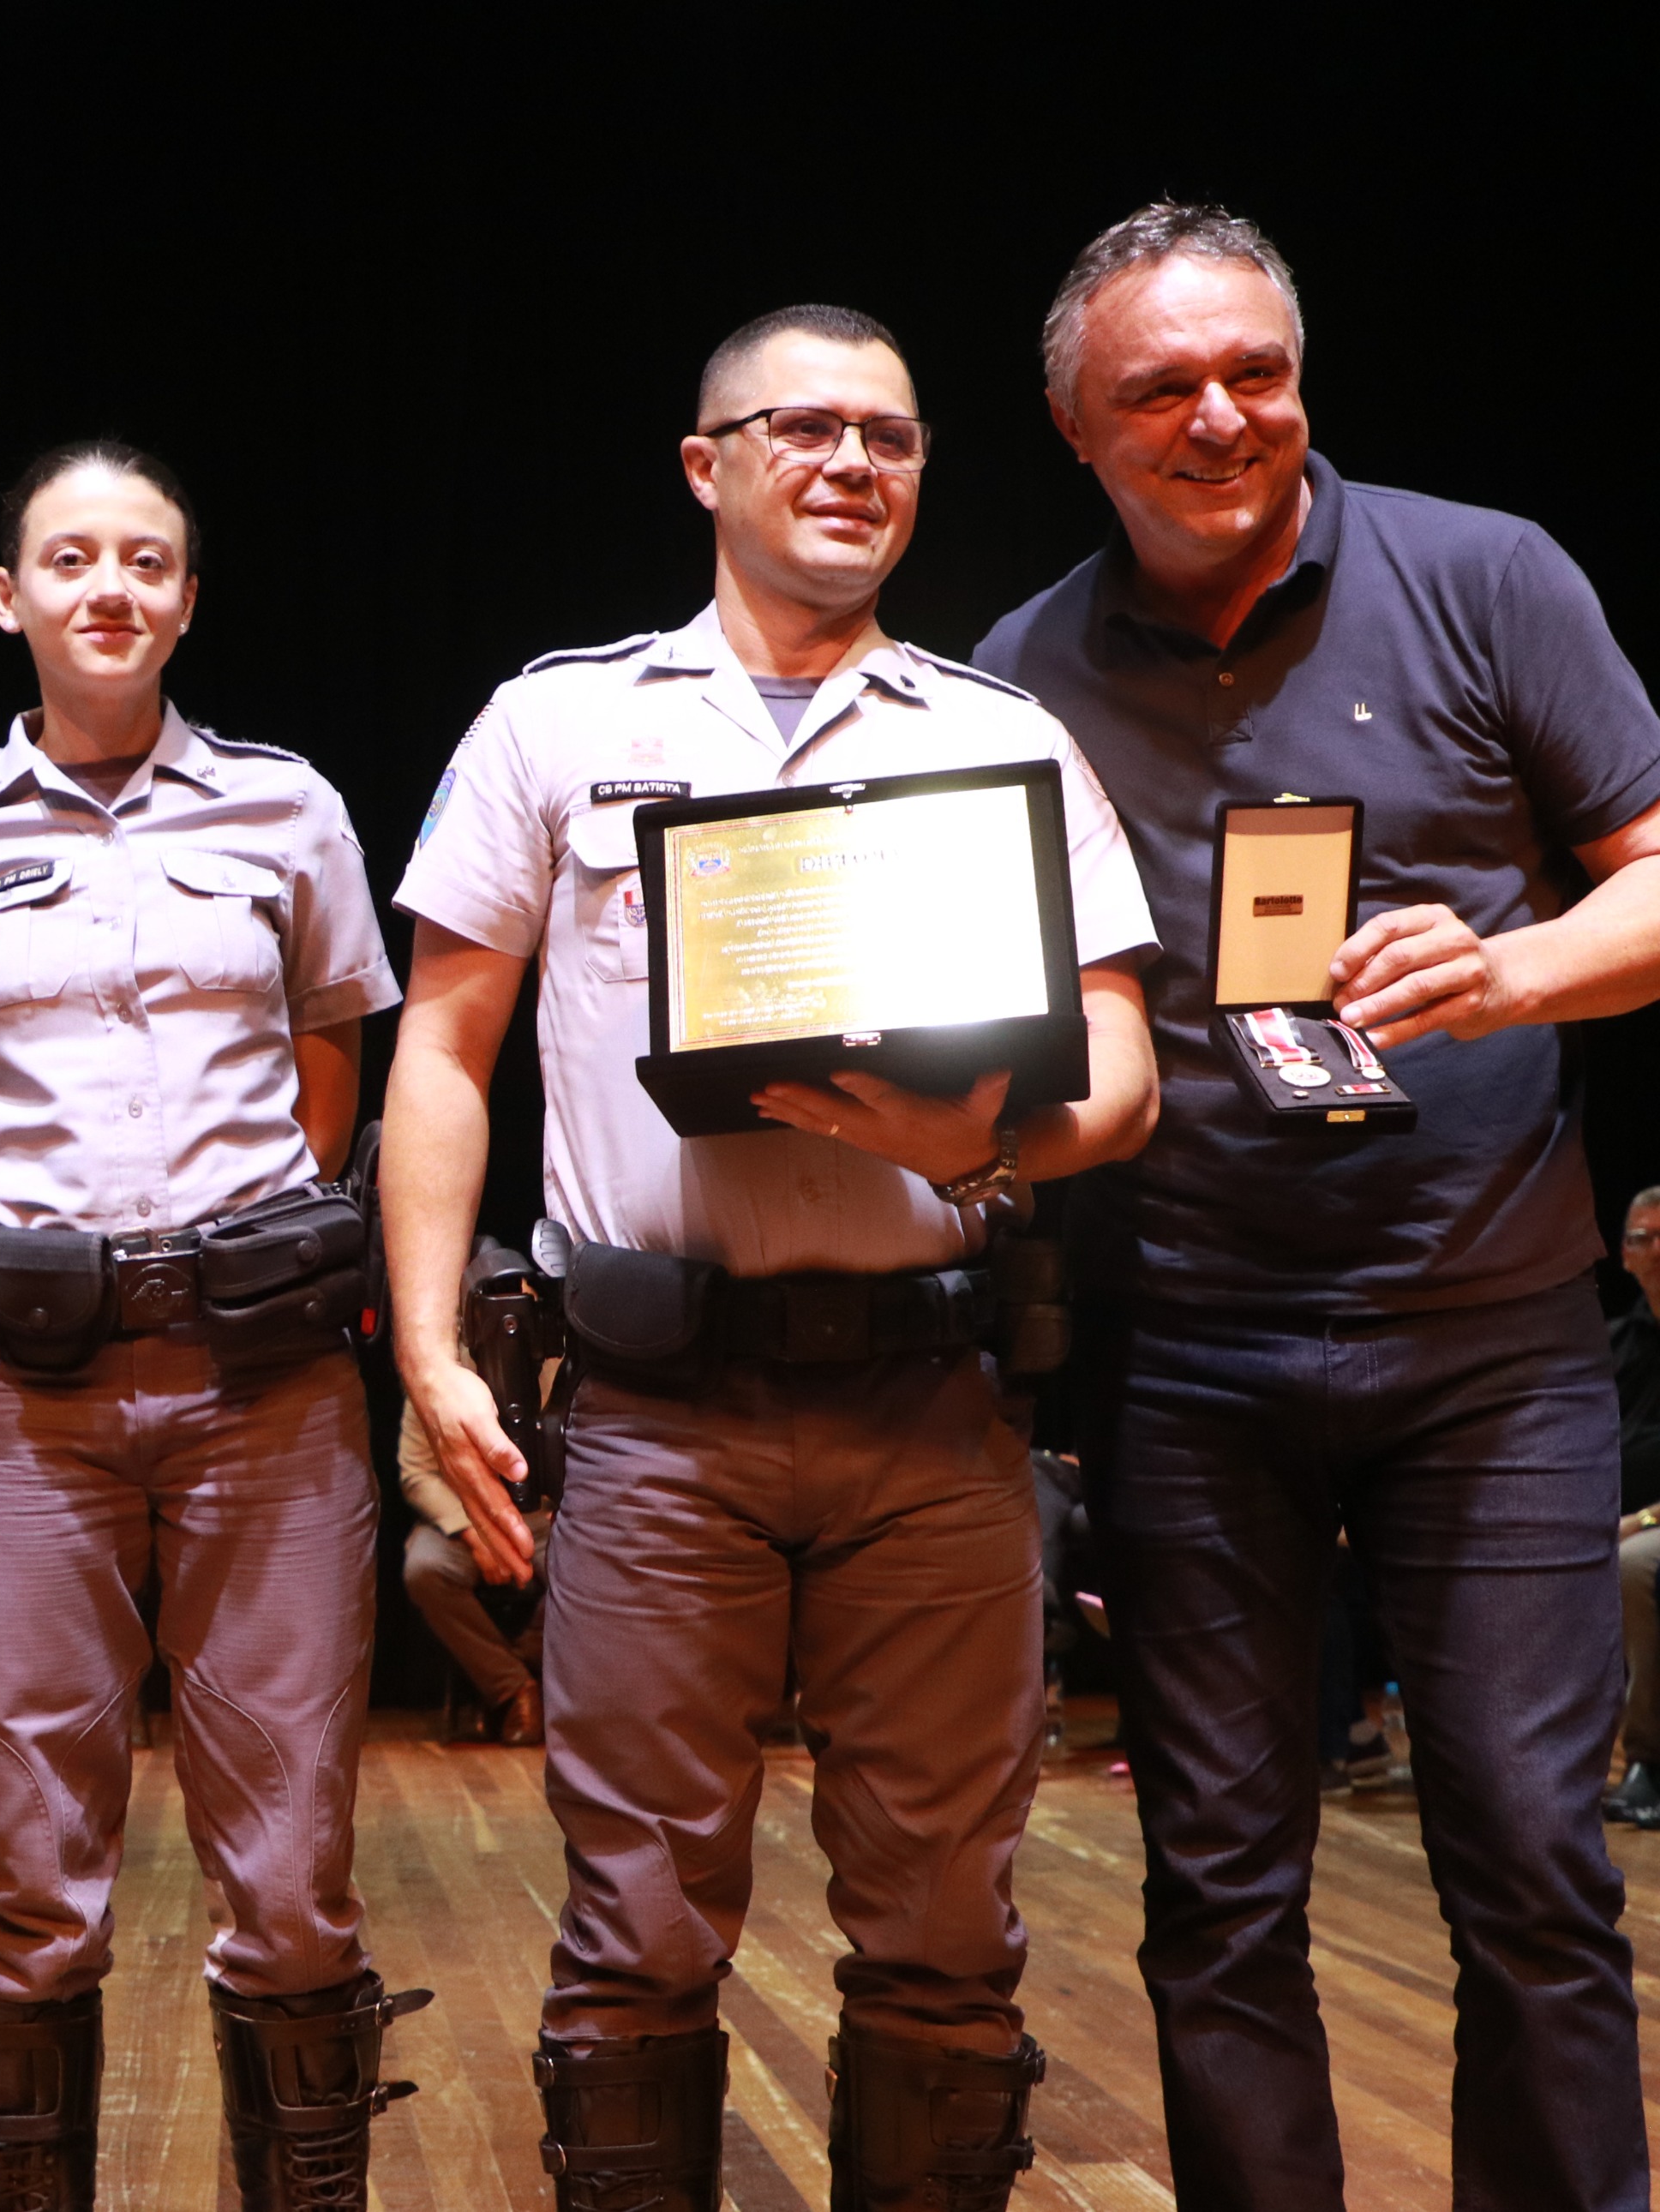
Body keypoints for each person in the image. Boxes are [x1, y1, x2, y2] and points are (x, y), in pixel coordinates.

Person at [384, 304, 1161, 2210]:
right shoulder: (559, 724)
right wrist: (425, 1350)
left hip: (932, 1411)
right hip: (658, 1415)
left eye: (888, 439)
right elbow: (441, 1051)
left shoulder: (999, 739)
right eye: (802, 428)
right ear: (703, 465)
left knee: (948, 1932)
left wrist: (974, 1143)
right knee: (635, 1930)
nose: (849, 465)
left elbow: (1124, 1069)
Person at [975, 202, 1660, 2212]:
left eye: (1253, 371)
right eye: (1159, 388)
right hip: (1186, 1347)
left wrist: (1511, 970)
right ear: (1075, 429)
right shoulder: (1019, 674)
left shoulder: (1485, 575)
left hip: (1493, 1340)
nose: (1219, 416)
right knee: (1216, 1884)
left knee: (1532, 1862)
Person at [0, 441, 424, 2212]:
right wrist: (2, 1267)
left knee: (294, 1875)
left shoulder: (287, 809)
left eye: (147, 560)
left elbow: (330, 1066)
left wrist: (234, 1252)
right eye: (71, 558)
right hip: (24, 1394)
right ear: (8, 597)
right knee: (23, 1882)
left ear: (185, 599)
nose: (110, 586)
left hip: (263, 1386)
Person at [393, 1392, 548, 1744]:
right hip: (460, 1515)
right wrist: (477, 1536)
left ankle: (514, 1665)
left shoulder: (556, 1365)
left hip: (541, 1517)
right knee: (425, 1569)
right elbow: (417, 1473)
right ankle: (514, 1687)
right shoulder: (439, 1375)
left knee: (588, 1572)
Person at [1612, 1188, 1660, 1828]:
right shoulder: (1612, 1343)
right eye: (1640, 1238)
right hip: (1609, 1520)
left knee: (1632, 1563)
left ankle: (1647, 1760)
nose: (1654, 1249)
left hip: (1644, 1527)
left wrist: (1641, 1519)